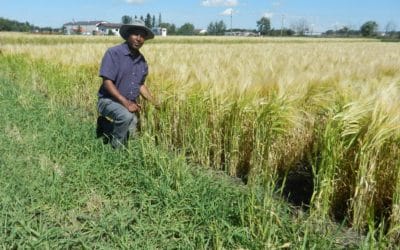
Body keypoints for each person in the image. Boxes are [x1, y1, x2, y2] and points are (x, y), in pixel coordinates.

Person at [96, 20, 159, 148]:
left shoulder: (142, 62)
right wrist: (126, 103)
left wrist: (154, 102)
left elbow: (140, 85)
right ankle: (115, 153)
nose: (139, 39)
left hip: (128, 104)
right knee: (125, 117)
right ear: (128, 35)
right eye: (135, 34)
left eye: (142, 36)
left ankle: (105, 125)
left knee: (132, 135)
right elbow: (107, 82)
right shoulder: (114, 53)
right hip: (108, 101)